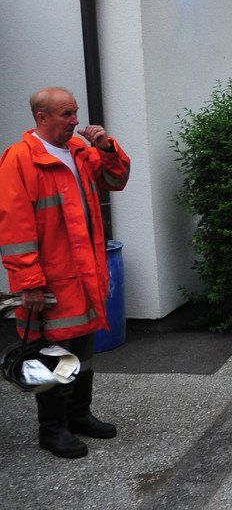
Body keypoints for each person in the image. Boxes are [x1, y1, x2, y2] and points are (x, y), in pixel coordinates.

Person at [0, 87, 131, 459]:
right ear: (42, 117)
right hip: (50, 282)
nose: (75, 120)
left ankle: (79, 415)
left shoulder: (78, 151)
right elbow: (15, 228)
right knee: (52, 353)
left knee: (83, 349)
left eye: (75, 112)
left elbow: (116, 180)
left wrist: (106, 147)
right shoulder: (20, 159)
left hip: (84, 276)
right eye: (66, 114)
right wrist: (28, 283)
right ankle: (52, 429)